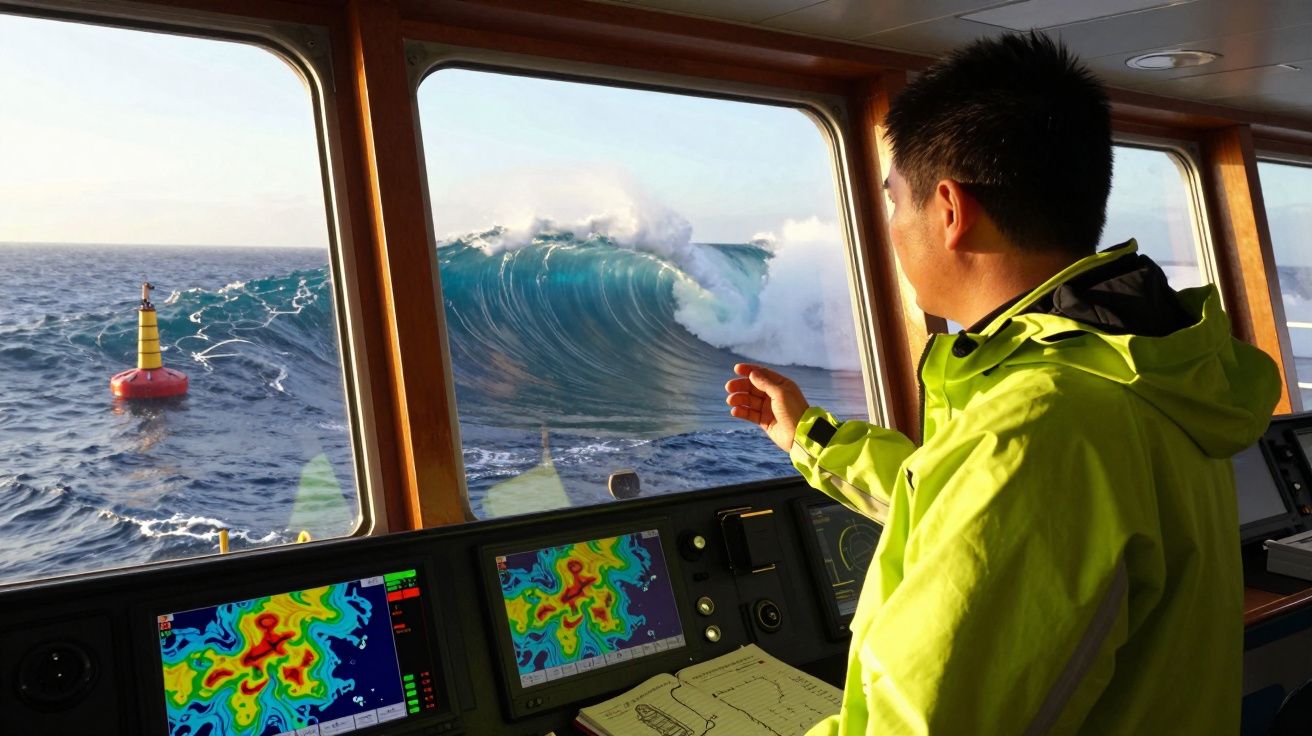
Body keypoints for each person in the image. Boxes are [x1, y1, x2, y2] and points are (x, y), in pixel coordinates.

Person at [725, 33, 1281, 735]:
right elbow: (965, 503)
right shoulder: (1141, 368)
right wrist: (809, 436)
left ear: (950, 210)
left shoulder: (1038, 425)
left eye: (897, 203)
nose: (893, 228)